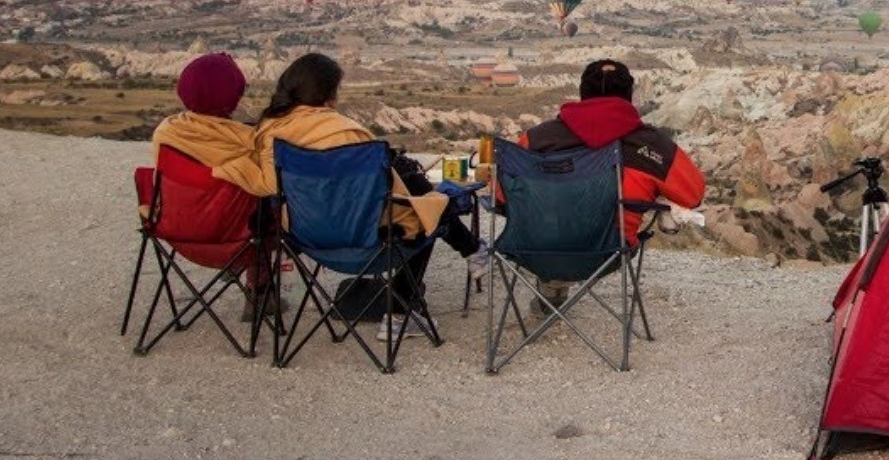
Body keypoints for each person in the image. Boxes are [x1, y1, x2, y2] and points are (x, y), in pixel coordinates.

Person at [218, 53, 488, 335]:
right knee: (426, 211)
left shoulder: (268, 134)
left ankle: (471, 251)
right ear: (329, 96)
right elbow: (389, 191)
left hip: (306, 239)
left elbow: (266, 186)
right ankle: (401, 313)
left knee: (421, 200)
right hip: (367, 241)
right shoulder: (347, 134)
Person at [515, 58, 705, 308]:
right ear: (628, 96)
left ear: (583, 93)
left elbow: (502, 197)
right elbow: (693, 195)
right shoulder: (650, 145)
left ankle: (552, 285)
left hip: (535, 248)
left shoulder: (536, 139)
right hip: (608, 252)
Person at [148, 53, 269, 320]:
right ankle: (259, 293)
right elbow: (266, 185)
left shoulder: (166, 133)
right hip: (235, 239)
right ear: (233, 96)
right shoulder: (246, 142)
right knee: (268, 207)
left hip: (175, 232)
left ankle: (239, 274)